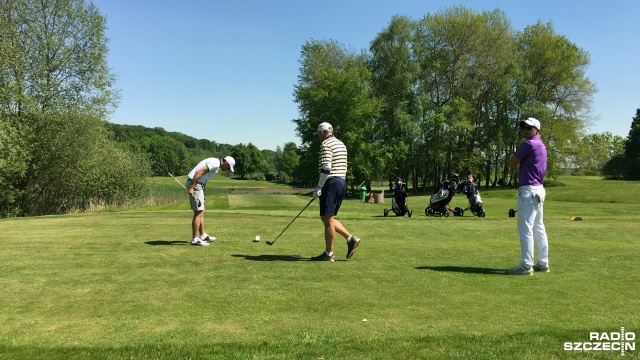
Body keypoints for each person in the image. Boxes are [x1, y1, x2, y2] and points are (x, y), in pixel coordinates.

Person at [506, 117, 550, 275]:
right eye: (523, 128)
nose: (525, 130)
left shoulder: (529, 144)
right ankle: (543, 263)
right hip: (539, 190)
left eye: (528, 128)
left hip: (529, 190)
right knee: (538, 227)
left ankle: (526, 265)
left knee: (526, 228)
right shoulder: (542, 146)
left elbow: (512, 162)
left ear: (536, 130)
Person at [311, 122, 360, 261]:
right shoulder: (341, 144)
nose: (318, 137)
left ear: (322, 132)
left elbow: (326, 167)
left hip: (331, 182)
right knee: (328, 217)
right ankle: (351, 239)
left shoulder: (326, 145)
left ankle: (329, 254)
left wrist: (319, 187)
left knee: (327, 218)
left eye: (318, 134)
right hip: (341, 182)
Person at [186, 156, 235, 246]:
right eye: (228, 168)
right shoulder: (215, 164)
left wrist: (203, 189)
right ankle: (195, 239)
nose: (227, 169)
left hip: (199, 185)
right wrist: (191, 187)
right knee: (198, 212)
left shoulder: (215, 164)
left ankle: (203, 235)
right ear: (227, 163)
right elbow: (199, 172)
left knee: (202, 210)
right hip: (196, 184)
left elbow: (205, 177)